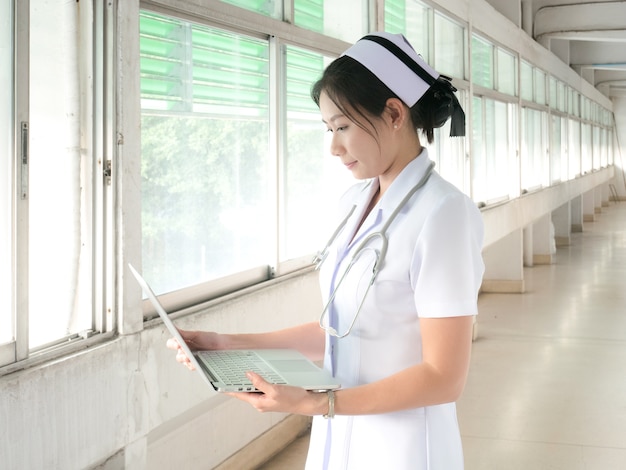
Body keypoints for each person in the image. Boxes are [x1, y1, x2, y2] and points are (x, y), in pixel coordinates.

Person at [167, 31, 484, 470]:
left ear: (394, 112)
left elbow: (444, 377)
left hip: (405, 446)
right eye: (328, 129)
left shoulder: (445, 214)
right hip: (339, 433)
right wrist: (226, 343)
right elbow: (343, 330)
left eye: (342, 127)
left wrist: (318, 404)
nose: (333, 147)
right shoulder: (354, 203)